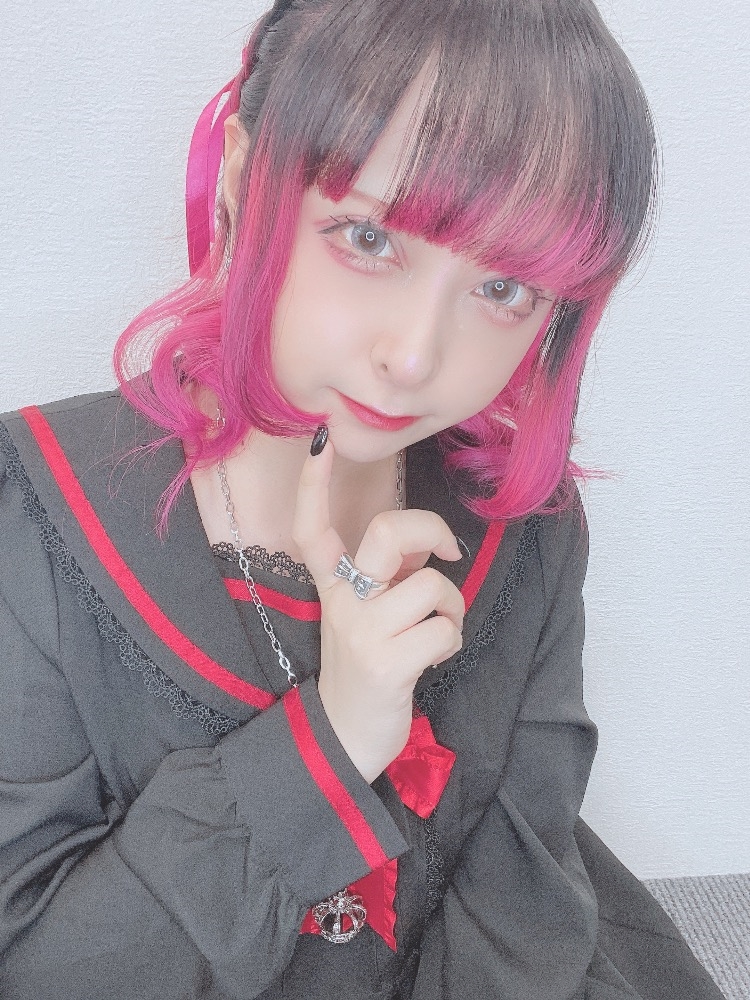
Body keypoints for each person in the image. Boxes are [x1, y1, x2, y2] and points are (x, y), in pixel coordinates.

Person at [0, 1, 727, 998]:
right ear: (244, 178)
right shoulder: (35, 519)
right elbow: (44, 970)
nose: (415, 355)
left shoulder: (524, 530)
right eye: (370, 236)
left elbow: (520, 916)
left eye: (505, 289)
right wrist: (331, 739)